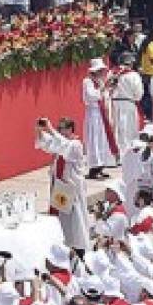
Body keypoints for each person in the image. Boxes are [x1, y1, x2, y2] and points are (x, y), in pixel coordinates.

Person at [35, 117, 89, 253]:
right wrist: (40, 131)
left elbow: (64, 147)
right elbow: (46, 144)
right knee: (61, 217)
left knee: (75, 218)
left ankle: (78, 246)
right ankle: (63, 242)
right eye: (59, 128)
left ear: (71, 129)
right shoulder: (61, 141)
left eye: (63, 128)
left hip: (72, 187)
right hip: (60, 187)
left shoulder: (76, 144)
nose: (60, 130)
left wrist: (51, 129)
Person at [81, 58, 118, 178]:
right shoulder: (87, 82)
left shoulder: (100, 82)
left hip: (102, 113)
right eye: (100, 70)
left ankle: (101, 166)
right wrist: (103, 88)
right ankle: (93, 168)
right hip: (94, 113)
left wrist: (109, 89)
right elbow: (92, 96)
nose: (102, 73)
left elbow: (105, 96)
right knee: (94, 139)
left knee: (102, 139)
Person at [110, 52, 144, 152]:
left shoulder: (112, 73)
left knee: (116, 129)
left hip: (114, 104)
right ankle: (127, 152)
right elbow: (138, 94)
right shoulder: (133, 75)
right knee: (128, 129)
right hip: (128, 103)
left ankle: (116, 153)